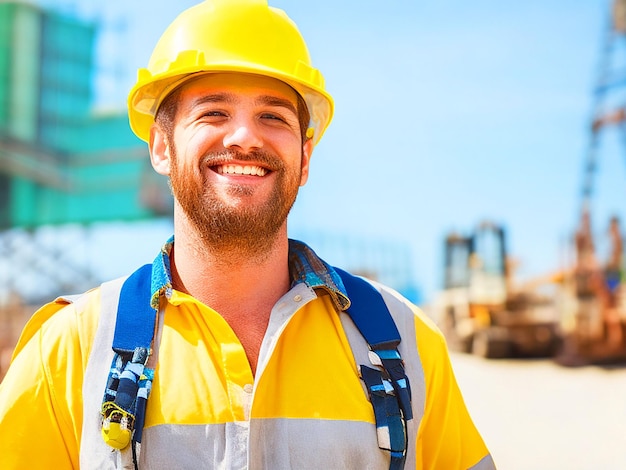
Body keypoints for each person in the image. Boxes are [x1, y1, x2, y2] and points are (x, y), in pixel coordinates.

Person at [0, 1, 495, 469]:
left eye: (272, 116)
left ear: (305, 159)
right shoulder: (67, 352)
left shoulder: (407, 343)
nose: (244, 137)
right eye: (213, 112)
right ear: (160, 148)